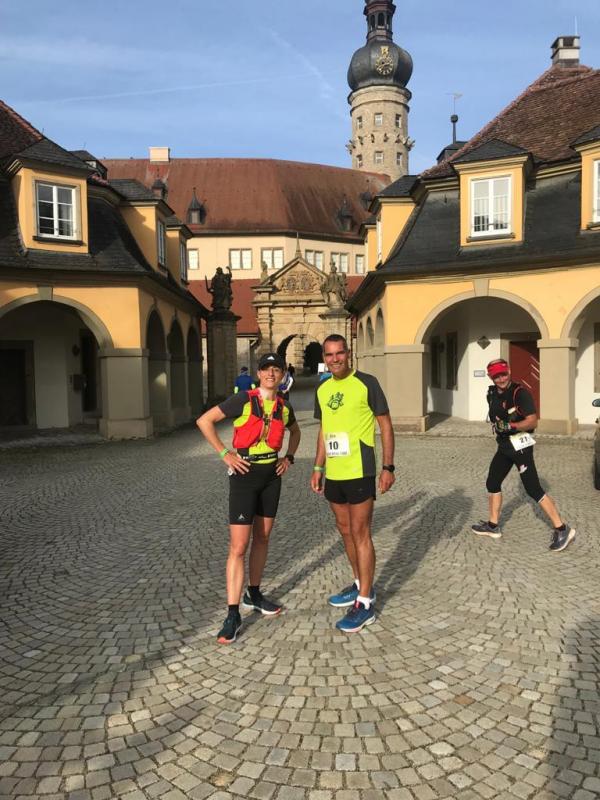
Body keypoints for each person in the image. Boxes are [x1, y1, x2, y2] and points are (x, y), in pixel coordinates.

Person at [197, 352, 301, 644]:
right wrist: (224, 453)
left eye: (276, 369)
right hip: (244, 476)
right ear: (259, 373)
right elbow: (205, 421)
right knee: (239, 546)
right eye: (266, 369)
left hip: (271, 476)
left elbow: (295, 432)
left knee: (263, 538)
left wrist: (289, 458)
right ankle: (232, 613)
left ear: (282, 375)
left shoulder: (284, 406)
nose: (271, 374)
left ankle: (253, 593)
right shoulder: (244, 399)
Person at [311, 334, 395, 633]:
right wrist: (318, 466)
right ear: (325, 358)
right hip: (335, 472)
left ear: (348, 353)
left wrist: (388, 467)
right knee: (344, 530)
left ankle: (366, 603)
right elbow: (324, 429)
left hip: (360, 469)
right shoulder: (322, 388)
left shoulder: (367, 383)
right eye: (329, 354)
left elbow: (385, 425)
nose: (335, 359)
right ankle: (360, 583)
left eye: (339, 353)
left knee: (361, 533)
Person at [471, 358, 575, 552]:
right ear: (491, 377)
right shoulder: (491, 393)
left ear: (509, 371)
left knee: (533, 488)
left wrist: (511, 425)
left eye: (503, 374)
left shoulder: (520, 393)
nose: (501, 379)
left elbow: (532, 421)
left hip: (520, 447)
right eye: (496, 376)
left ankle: (562, 529)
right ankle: (492, 526)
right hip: (504, 446)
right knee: (492, 482)